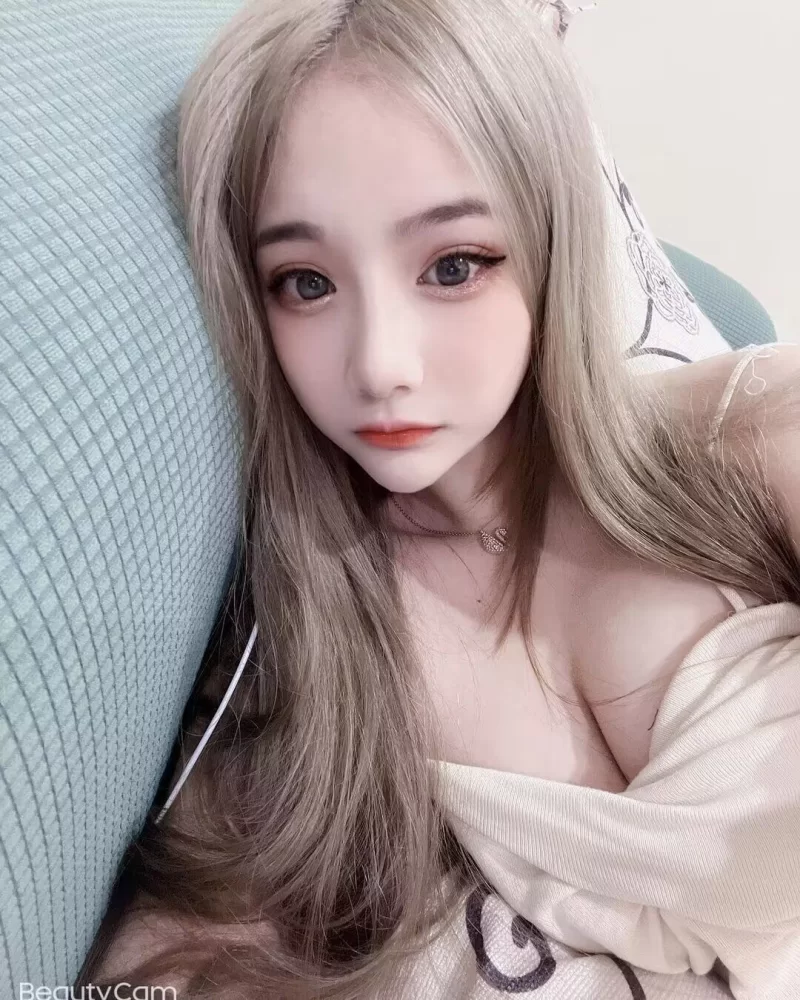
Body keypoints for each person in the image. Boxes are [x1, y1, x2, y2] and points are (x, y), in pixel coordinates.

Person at [75, 0, 800, 997]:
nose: (381, 364)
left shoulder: (746, 436)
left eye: (452, 266)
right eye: (305, 282)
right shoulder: (309, 645)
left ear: (550, 242)